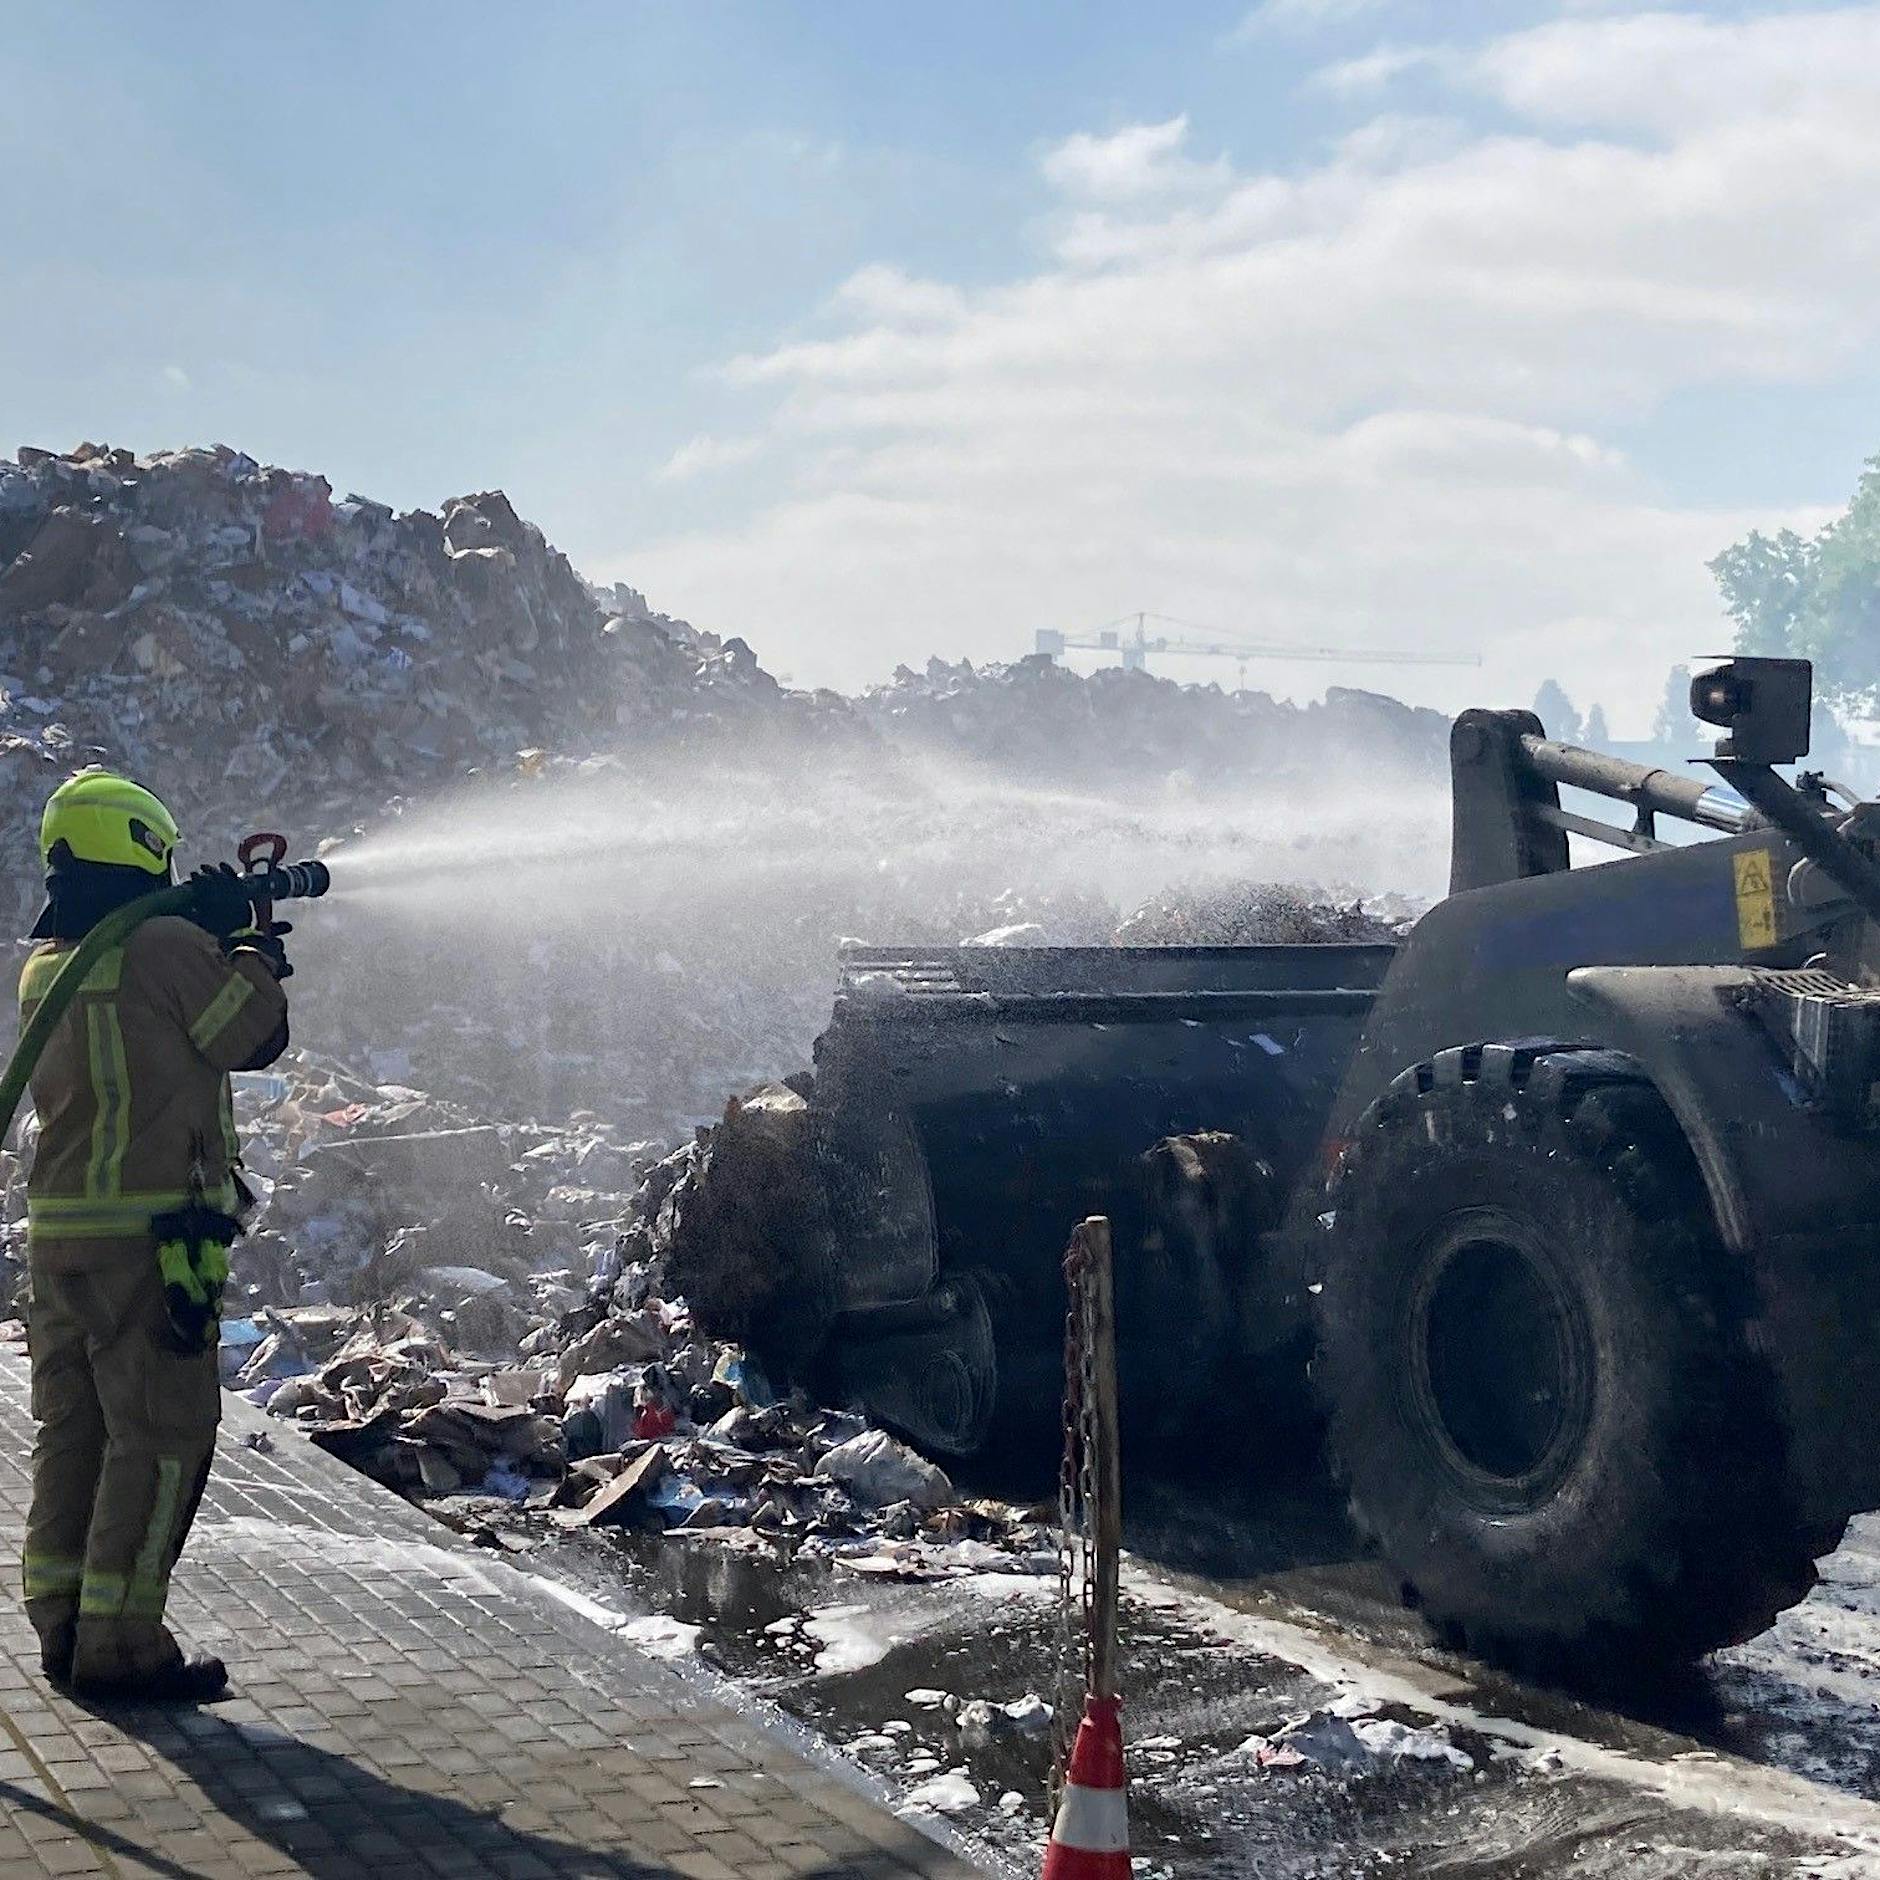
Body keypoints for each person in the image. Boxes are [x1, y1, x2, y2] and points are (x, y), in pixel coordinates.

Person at [17, 768, 291, 1700]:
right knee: (164, 1433)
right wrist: (249, 941)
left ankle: (60, 1626)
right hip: (149, 1239)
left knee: (75, 1433)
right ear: (142, 844)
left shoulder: (47, 965)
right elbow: (251, 1035)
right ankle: (124, 1645)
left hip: (56, 1239)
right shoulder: (166, 945)